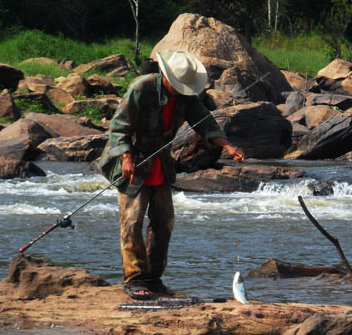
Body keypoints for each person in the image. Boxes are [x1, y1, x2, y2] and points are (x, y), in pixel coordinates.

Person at [97, 50, 245, 300]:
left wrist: (228, 146)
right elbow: (118, 126)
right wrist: (127, 157)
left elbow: (205, 123)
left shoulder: (186, 96)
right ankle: (134, 279)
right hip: (133, 162)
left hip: (161, 165)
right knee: (132, 222)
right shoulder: (141, 88)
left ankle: (154, 280)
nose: (180, 90)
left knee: (164, 223)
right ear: (165, 76)